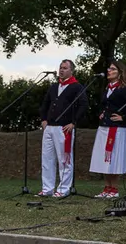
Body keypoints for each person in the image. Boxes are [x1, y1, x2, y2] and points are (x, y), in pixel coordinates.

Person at [37, 59, 88, 198]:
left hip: (64, 128)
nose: (61, 70)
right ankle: (47, 188)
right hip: (49, 127)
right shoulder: (54, 86)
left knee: (64, 159)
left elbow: (84, 105)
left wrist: (74, 122)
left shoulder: (76, 87)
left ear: (71, 70)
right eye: (60, 67)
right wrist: (43, 119)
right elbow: (45, 103)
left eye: (65, 68)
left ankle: (63, 189)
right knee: (47, 159)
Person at [89, 60, 126, 198]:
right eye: (109, 68)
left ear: (120, 73)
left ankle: (114, 188)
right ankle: (107, 187)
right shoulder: (108, 88)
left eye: (113, 69)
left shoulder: (124, 88)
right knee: (104, 158)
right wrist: (102, 112)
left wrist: (124, 118)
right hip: (104, 126)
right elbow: (104, 104)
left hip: (116, 129)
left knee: (113, 158)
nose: (109, 70)